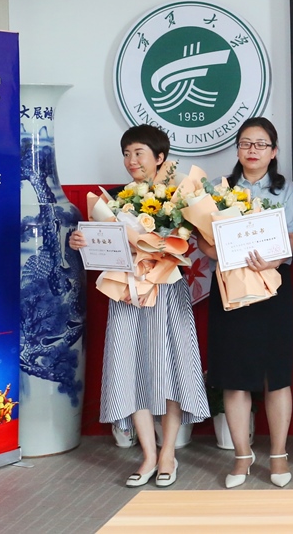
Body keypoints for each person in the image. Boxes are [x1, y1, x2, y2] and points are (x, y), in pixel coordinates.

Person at [68, 124, 209, 488]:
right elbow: (103, 245)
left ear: (160, 158)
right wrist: (82, 240)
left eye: (139, 153)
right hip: (127, 294)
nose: (132, 160)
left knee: (171, 369)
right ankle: (148, 455)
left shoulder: (179, 198)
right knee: (131, 369)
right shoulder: (115, 201)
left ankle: (168, 454)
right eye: (127, 154)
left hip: (167, 291)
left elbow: (188, 242)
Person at [196, 118, 293, 488]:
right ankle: (242, 455)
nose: (252, 150)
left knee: (276, 374)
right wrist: (218, 252)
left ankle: (278, 454)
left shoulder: (288, 190)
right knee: (234, 375)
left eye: (260, 144)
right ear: (238, 149)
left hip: (272, 287)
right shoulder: (217, 189)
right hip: (230, 288)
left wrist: (273, 258)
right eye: (245, 143)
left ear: (274, 151)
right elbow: (203, 239)